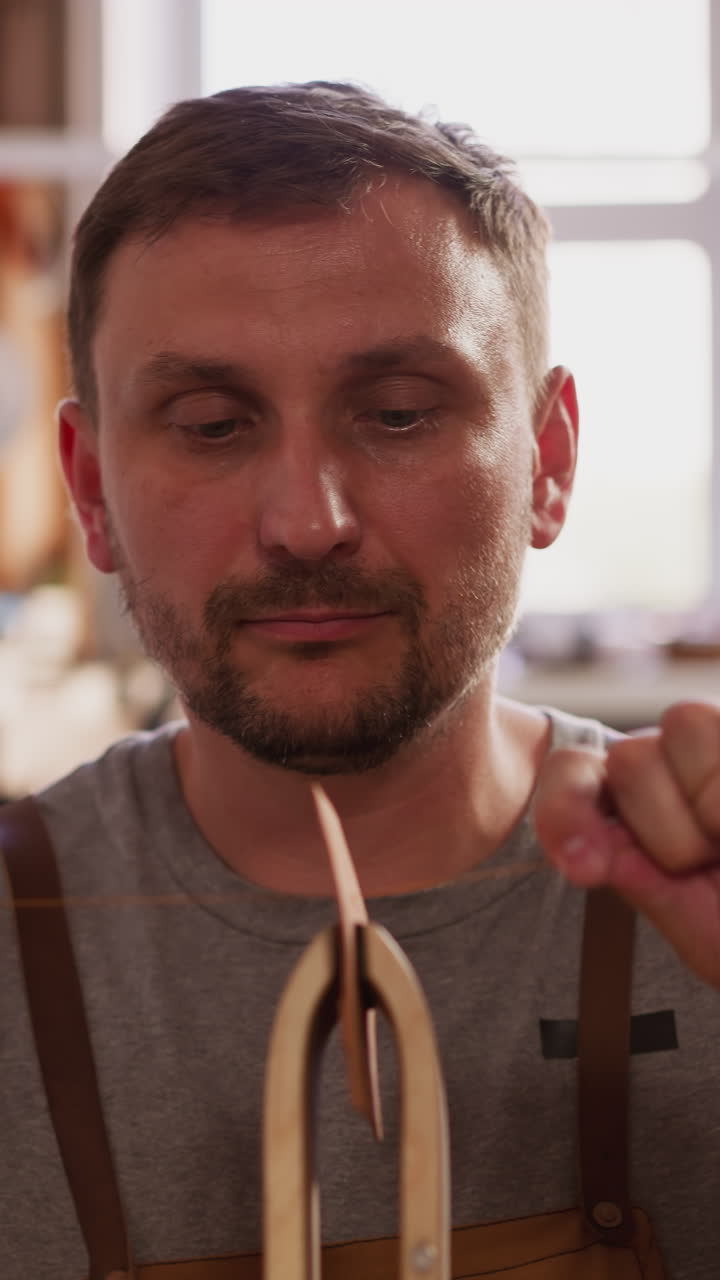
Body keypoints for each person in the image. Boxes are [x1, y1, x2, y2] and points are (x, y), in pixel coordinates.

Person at [1, 81, 719, 1279]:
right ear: (90, 488)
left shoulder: (696, 891)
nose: (307, 521)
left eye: (395, 413)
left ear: (546, 459)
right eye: (211, 424)